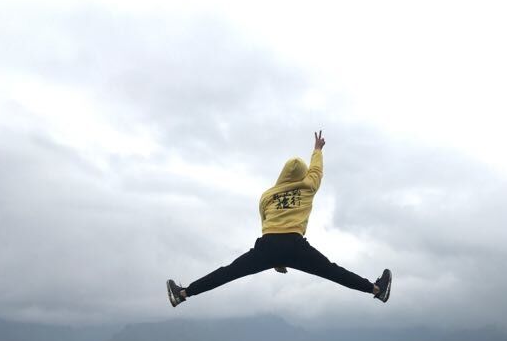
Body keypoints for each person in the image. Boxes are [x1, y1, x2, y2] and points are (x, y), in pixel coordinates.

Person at [167, 130, 392, 307]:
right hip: (295, 246)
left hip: (268, 245)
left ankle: (183, 294)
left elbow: (266, 224)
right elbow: (316, 171)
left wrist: (275, 260)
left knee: (228, 273)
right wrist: (317, 150)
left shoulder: (267, 195)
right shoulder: (308, 187)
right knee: (333, 272)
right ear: (302, 174)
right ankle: (376, 290)